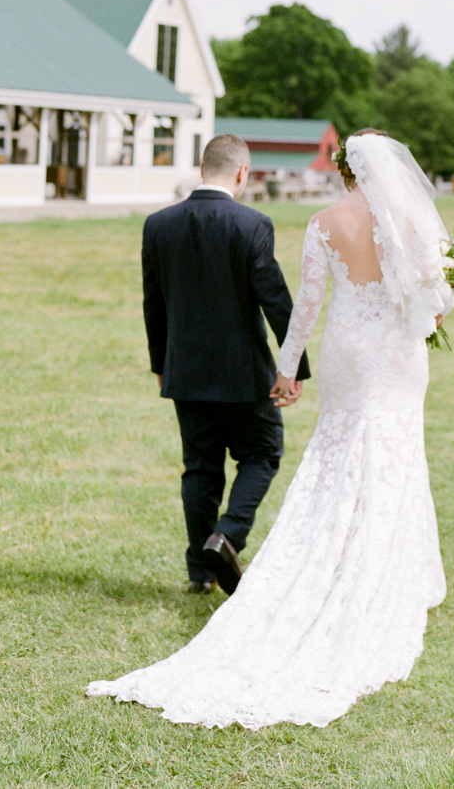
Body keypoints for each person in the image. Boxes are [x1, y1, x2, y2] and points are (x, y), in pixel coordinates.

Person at [87, 128, 454, 729]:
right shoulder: (406, 220)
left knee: (211, 463)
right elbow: (420, 298)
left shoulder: (315, 222)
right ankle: (351, 561)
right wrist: (287, 369)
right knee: (374, 452)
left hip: (308, 356)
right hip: (391, 356)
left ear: (344, 169)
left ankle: (203, 563)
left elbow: (303, 303)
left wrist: (283, 369)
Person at [138, 132, 310, 597]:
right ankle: (226, 535)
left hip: (185, 371)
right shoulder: (252, 225)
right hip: (243, 374)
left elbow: (153, 303)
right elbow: (275, 299)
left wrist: (161, 363)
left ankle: (201, 572)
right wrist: (292, 367)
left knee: (200, 467)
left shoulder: (158, 225)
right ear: (242, 172)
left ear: (201, 168)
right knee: (263, 452)